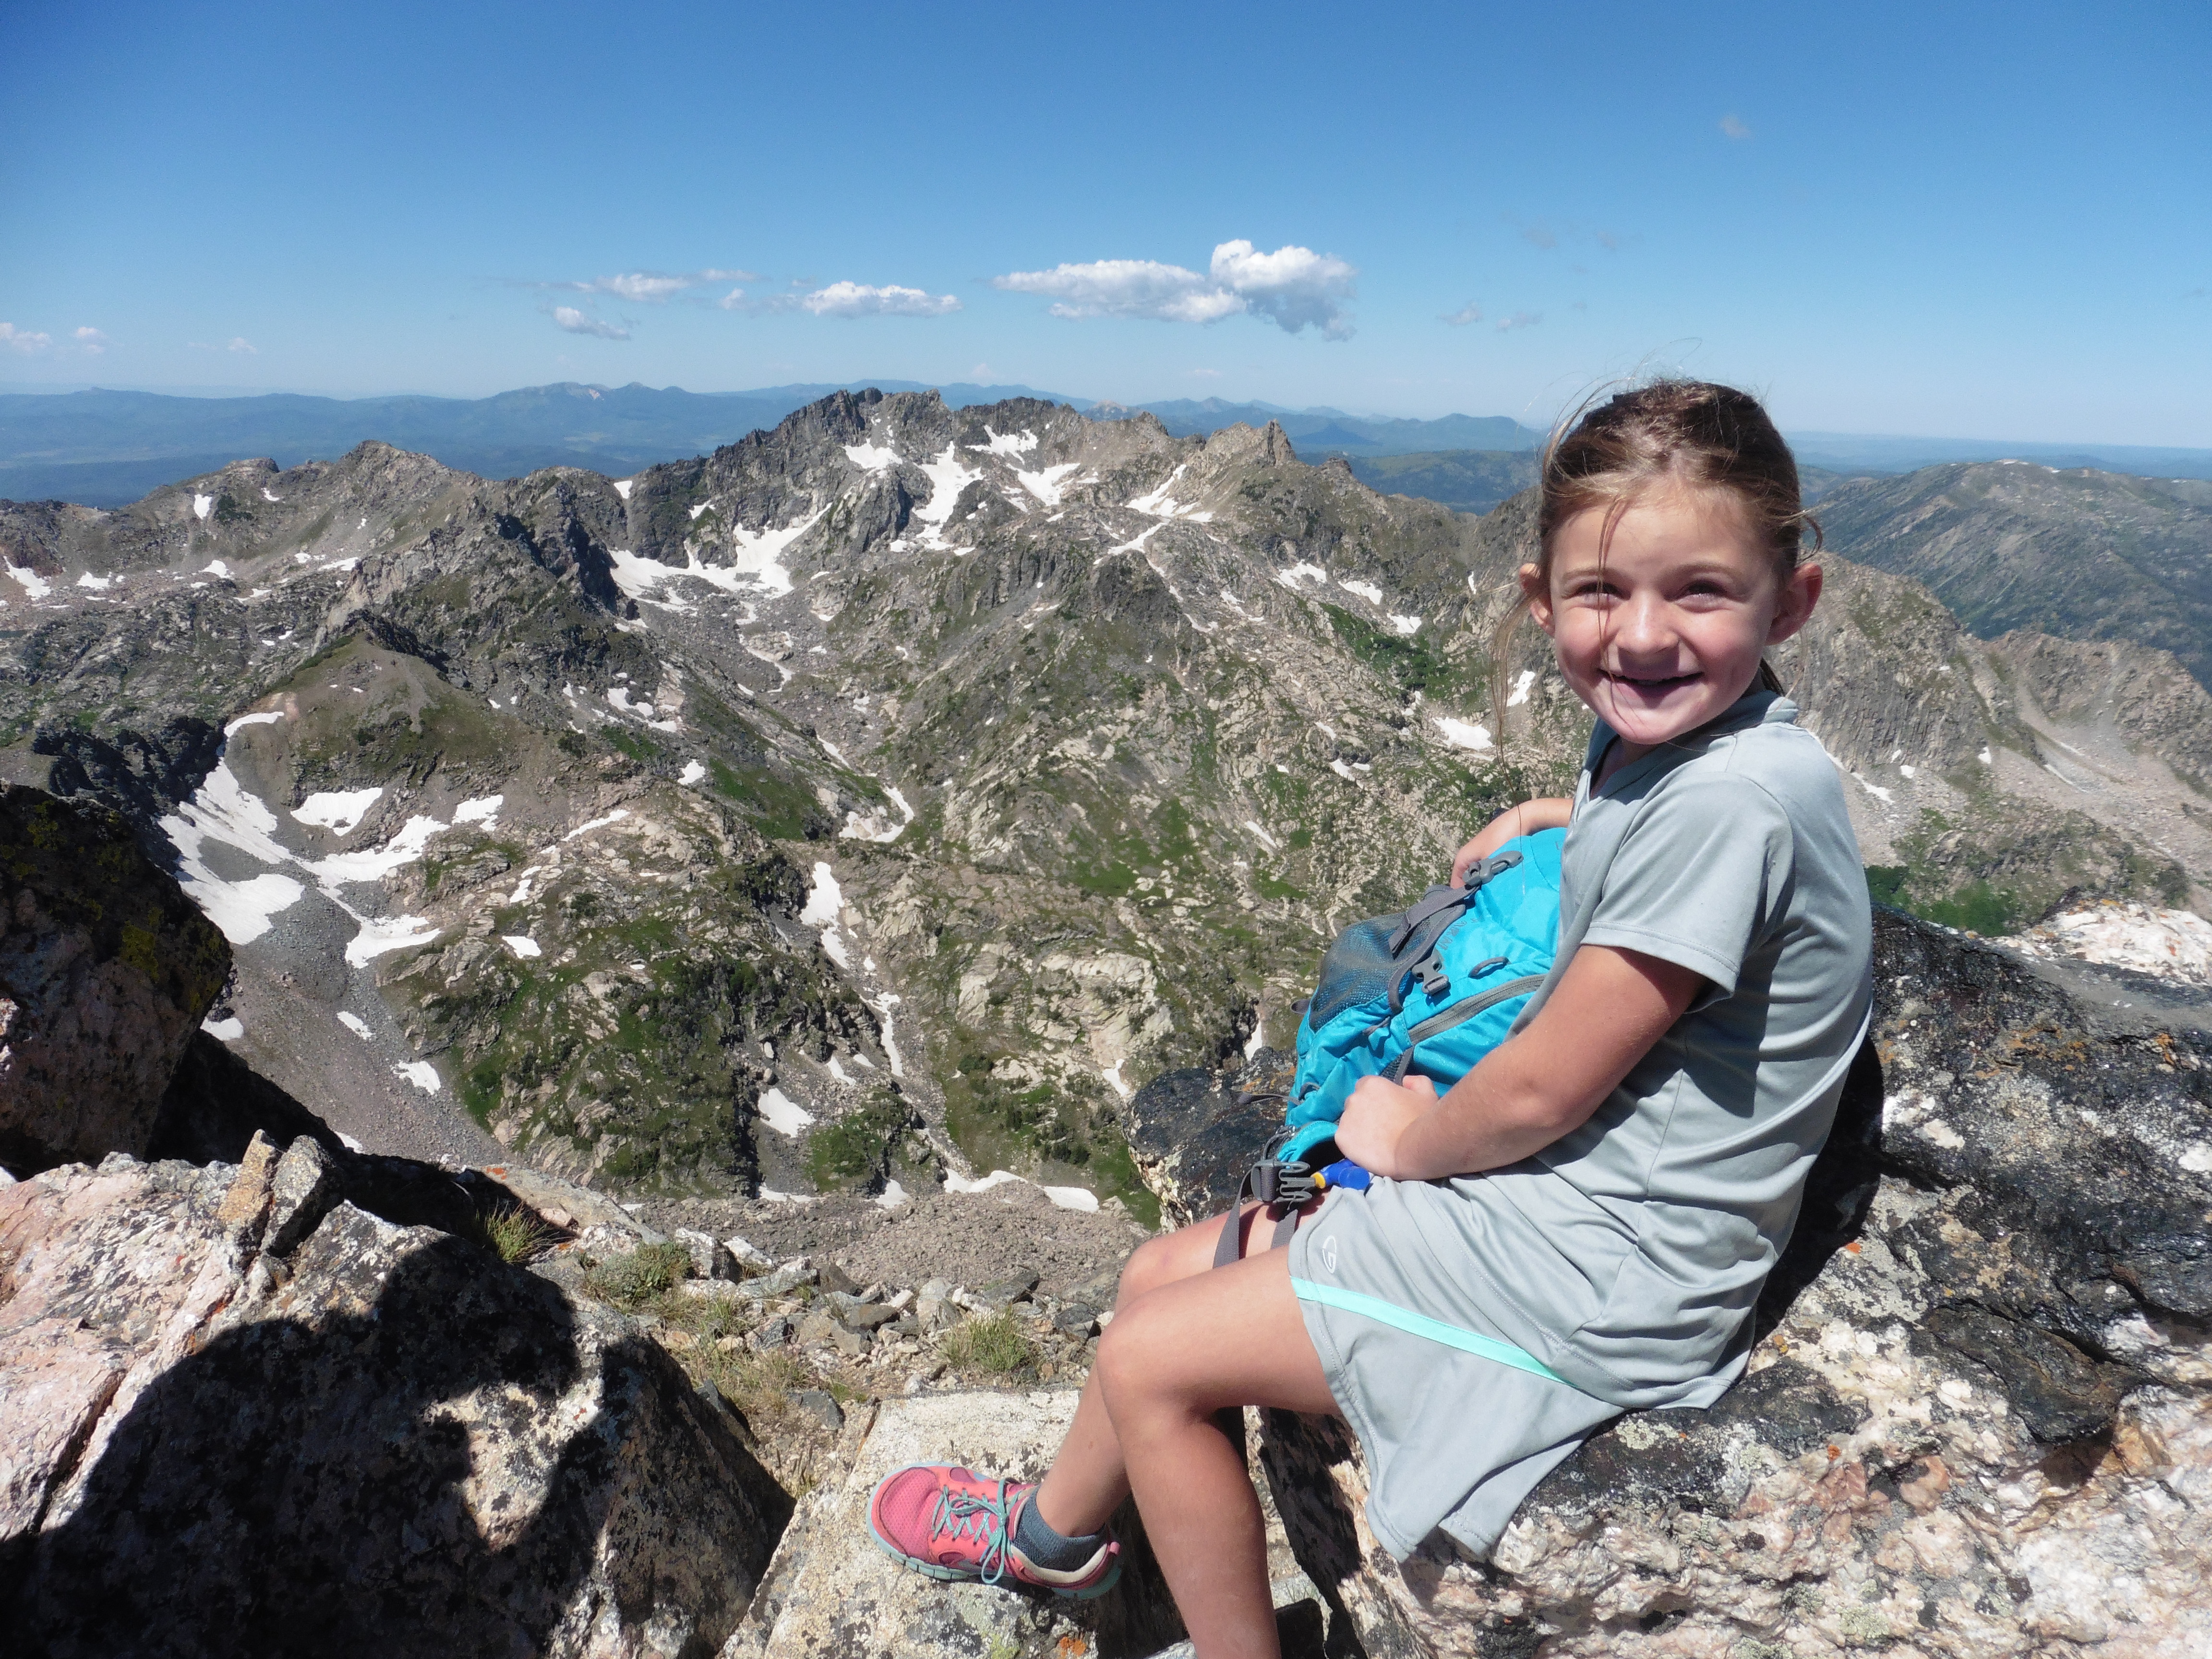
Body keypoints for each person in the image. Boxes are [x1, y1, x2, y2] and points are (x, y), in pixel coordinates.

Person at [866, 380, 1875, 1658]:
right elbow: (1688, 845)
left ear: (1792, 601)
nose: (1645, 634)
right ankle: (1058, 1548)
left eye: (1702, 592)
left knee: (1147, 1359)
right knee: (1153, 1275)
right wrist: (1561, 818)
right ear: (1541, 599)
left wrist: (1397, 1136)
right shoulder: (1699, 757)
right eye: (1604, 594)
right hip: (1582, 1211)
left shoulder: (1728, 804)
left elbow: (1536, 1096)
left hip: (1606, 1269)